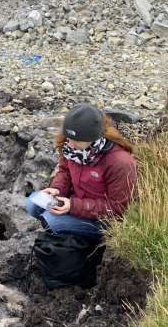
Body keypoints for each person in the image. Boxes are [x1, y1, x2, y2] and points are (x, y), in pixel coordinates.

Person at [25, 104, 137, 242]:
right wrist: (56, 189)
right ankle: (67, 231)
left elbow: (118, 208)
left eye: (76, 141)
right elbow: (65, 171)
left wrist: (73, 206)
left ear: (93, 138)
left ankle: (84, 243)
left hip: (102, 221)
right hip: (76, 203)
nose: (70, 144)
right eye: (68, 138)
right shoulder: (71, 147)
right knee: (33, 202)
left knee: (52, 221)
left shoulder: (120, 162)